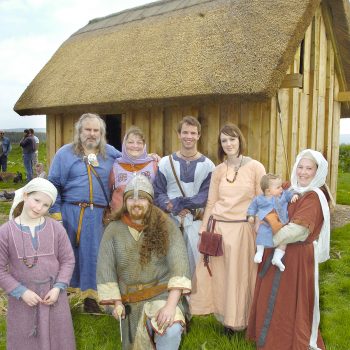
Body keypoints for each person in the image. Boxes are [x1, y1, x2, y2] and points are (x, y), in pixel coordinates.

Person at [247, 149, 330, 350]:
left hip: (297, 258)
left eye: (309, 168)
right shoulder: (290, 189)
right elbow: (269, 191)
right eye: (300, 167)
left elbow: (298, 231)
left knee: (288, 301)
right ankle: (269, 339)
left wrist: (267, 234)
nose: (303, 172)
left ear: (317, 171)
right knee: (273, 299)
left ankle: (287, 342)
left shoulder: (313, 197)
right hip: (278, 254)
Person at [97, 174, 191, 350]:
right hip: (129, 299)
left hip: (162, 295)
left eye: (141, 198)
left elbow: (180, 267)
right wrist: (117, 303)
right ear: (125, 202)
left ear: (150, 201)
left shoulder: (167, 225)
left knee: (171, 328)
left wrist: (171, 306)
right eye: (131, 198)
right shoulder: (113, 229)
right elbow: (105, 269)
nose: (136, 202)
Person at [190, 123, 266, 333]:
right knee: (222, 278)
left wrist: (260, 228)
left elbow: (262, 201)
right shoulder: (218, 170)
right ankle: (226, 320)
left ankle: (242, 319)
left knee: (240, 278)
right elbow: (211, 201)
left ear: (240, 140)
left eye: (232, 139)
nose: (229, 144)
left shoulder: (255, 167)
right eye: (224, 140)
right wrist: (203, 230)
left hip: (243, 231)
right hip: (219, 231)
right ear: (220, 144)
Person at [48, 113, 121, 313]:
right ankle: (62, 298)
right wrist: (56, 216)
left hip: (98, 215)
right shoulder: (65, 154)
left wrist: (152, 158)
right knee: (66, 256)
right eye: (87, 129)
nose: (92, 134)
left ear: (102, 133)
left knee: (94, 256)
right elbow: (53, 184)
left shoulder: (110, 153)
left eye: (96, 130)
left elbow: (131, 161)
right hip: (70, 212)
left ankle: (91, 300)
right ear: (79, 132)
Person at [0, 178, 76, 350]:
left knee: (59, 339)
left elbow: (68, 260)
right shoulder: (6, 232)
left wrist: (58, 287)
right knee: (26, 340)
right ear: (25, 196)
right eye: (36, 200)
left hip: (54, 297)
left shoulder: (56, 229)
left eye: (45, 205)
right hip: (23, 301)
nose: (39, 207)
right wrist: (21, 292)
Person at [153, 116, 215, 276]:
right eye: (185, 132)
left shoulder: (208, 165)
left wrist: (181, 204)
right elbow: (158, 192)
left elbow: (205, 195)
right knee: (166, 265)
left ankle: (191, 299)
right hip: (168, 220)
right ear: (179, 135)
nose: (189, 136)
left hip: (194, 222)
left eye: (193, 133)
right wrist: (172, 206)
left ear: (199, 135)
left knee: (194, 267)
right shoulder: (165, 162)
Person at [247, 173, 300, 271]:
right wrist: (251, 216)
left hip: (281, 223)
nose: (281, 189)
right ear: (268, 191)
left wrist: (294, 195)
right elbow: (252, 207)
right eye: (278, 187)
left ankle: (277, 257)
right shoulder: (259, 199)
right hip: (266, 223)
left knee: (284, 241)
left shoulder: (282, 195)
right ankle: (259, 252)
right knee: (261, 233)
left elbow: (289, 194)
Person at [109, 125, 158, 215]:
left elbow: (160, 192)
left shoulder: (154, 165)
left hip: (147, 218)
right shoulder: (116, 166)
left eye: (139, 143)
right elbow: (109, 192)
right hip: (120, 219)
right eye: (130, 142)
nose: (135, 146)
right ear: (124, 144)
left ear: (144, 145)